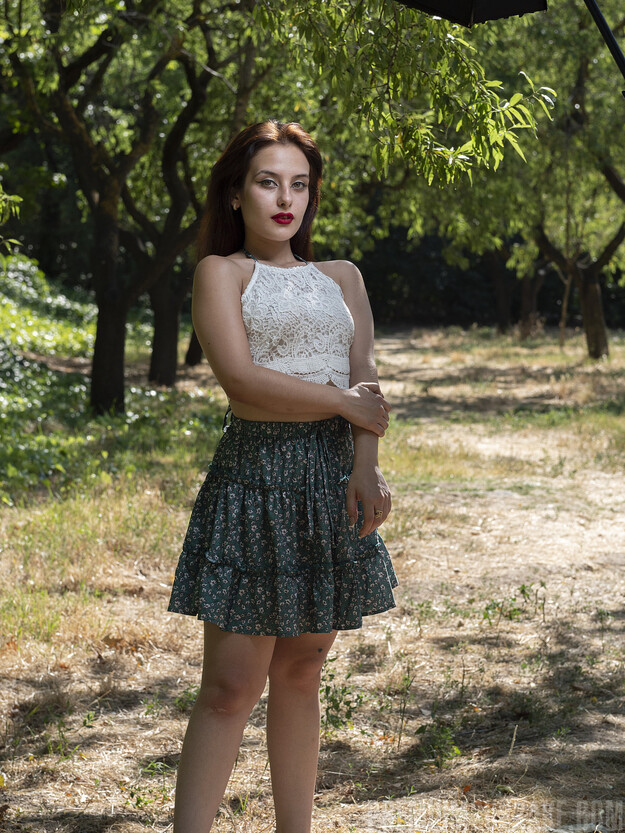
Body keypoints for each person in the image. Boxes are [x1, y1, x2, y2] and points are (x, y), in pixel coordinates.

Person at [167, 120, 397, 833]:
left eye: (299, 184)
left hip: (330, 479)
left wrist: (365, 466)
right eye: (268, 182)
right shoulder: (221, 272)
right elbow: (241, 383)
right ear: (237, 194)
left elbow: (366, 381)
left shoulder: (342, 277)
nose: (285, 199)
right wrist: (340, 401)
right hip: (255, 479)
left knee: (302, 672)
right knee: (230, 686)